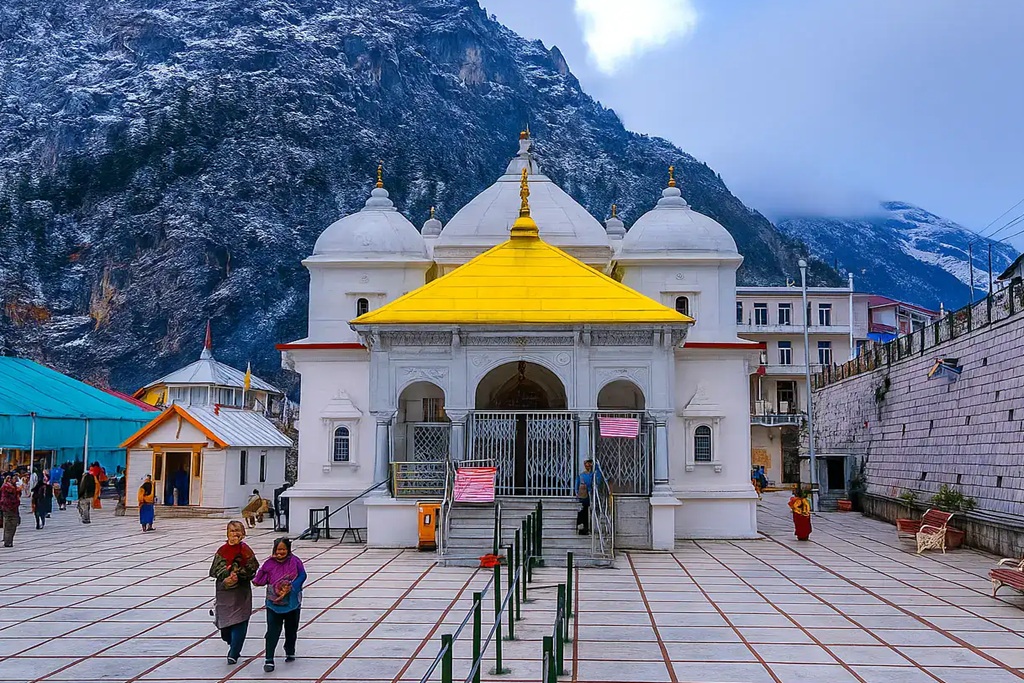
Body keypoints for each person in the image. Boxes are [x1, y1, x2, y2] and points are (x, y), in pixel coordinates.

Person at [253, 538, 306, 672]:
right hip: (273, 603)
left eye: (283, 549)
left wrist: (292, 586)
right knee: (272, 631)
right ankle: (269, 659)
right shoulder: (269, 563)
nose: (280, 552)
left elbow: (302, 575)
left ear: (288, 550)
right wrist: (259, 575)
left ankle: (289, 650)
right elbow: (260, 578)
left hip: (292, 603)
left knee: (291, 629)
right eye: (278, 549)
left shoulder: (295, 561)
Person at [210, 521, 259, 665]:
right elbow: (214, 570)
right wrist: (226, 576)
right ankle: (231, 641)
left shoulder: (246, 551)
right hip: (224, 592)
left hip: (240, 591)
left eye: (238, 531)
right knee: (225, 627)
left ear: (243, 534)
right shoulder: (222, 551)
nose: (234, 534)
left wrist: (240, 574)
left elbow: (254, 568)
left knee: (240, 619)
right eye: (231, 531)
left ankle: (234, 652)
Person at [574, 459, 601, 535]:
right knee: (583, 512)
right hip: (584, 496)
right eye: (587, 464)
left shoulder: (592, 474)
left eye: (589, 464)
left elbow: (598, 481)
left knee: (586, 512)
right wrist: (577, 493)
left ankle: (585, 528)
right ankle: (582, 528)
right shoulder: (582, 475)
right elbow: (577, 485)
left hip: (589, 495)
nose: (588, 465)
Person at [1, 474, 21, 547]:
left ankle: (9, 541)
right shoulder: (7, 487)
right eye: (14, 478)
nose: (16, 480)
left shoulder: (13, 487)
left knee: (12, 525)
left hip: (13, 508)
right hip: (8, 508)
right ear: (9, 479)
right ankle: (7, 541)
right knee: (9, 525)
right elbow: (12, 494)